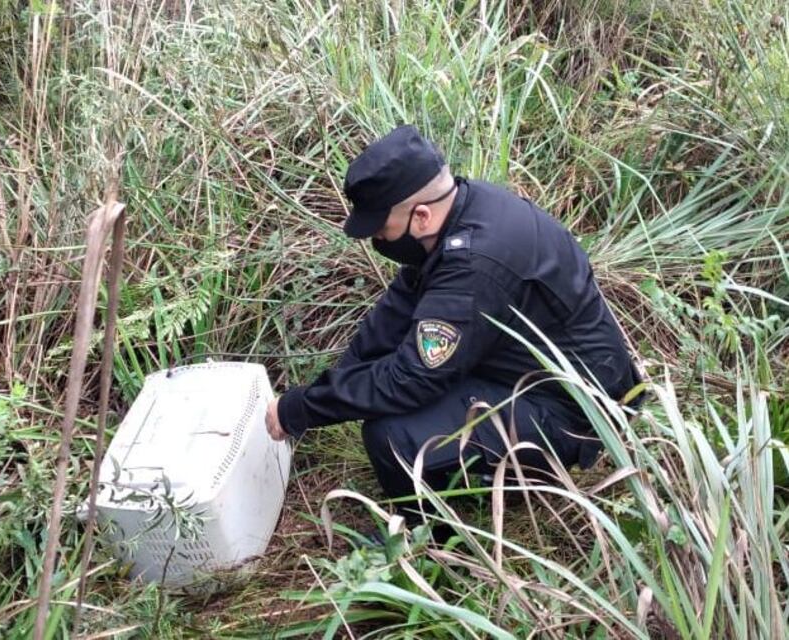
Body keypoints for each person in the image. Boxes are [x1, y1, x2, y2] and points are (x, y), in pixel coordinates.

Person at [264, 125, 643, 502]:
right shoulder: (465, 209)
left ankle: (425, 536)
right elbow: (396, 310)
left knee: (391, 434)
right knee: (397, 390)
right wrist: (330, 387)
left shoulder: (475, 265)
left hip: (572, 413)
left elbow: (409, 379)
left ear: (422, 216)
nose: (376, 239)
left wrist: (301, 408)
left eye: (381, 228)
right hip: (531, 372)